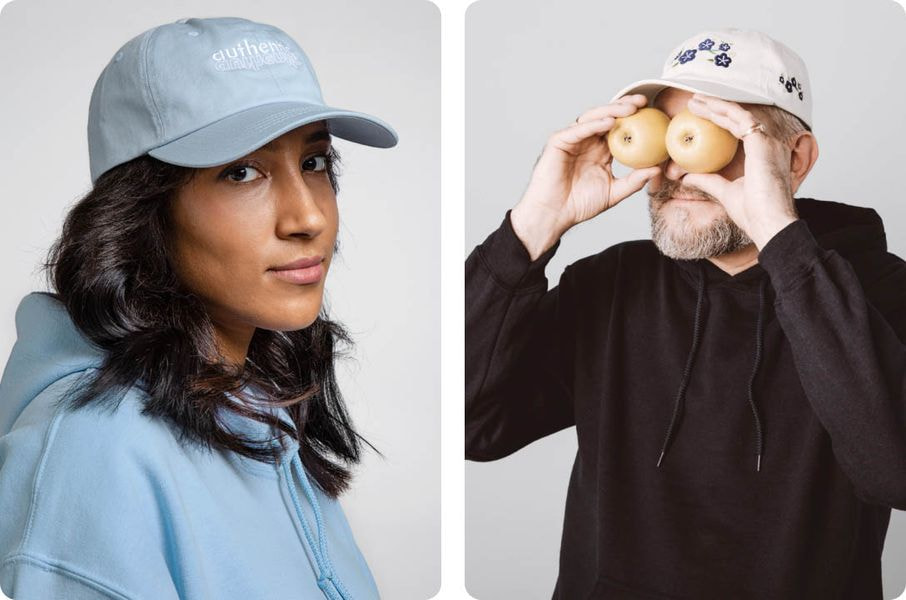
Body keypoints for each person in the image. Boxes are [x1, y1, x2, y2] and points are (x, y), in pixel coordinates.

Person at [465, 28, 906, 599]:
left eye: (722, 133)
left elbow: (895, 469)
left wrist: (781, 237)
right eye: (668, 135)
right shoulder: (609, 286)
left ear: (795, 160)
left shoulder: (878, 291)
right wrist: (531, 226)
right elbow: (471, 425)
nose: (679, 168)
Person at [0, 17, 397, 600]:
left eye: (314, 163)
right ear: (141, 210)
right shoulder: (98, 455)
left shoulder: (258, 399)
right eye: (242, 172)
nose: (308, 217)